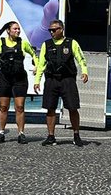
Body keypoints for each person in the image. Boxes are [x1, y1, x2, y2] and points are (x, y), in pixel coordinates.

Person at [34, 17, 89, 147]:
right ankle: (51, 136)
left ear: (61, 29)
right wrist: (37, 81)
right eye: (50, 30)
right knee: (50, 108)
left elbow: (81, 58)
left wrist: (84, 71)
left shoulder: (71, 43)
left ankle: (76, 135)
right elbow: (41, 64)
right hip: (51, 80)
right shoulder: (46, 44)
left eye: (54, 30)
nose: (51, 32)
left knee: (72, 108)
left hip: (67, 80)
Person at [0, 20, 37, 144]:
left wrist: (36, 66)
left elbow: (34, 54)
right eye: (15, 29)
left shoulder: (23, 43)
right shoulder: (0, 43)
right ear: (8, 30)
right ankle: (1, 133)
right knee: (3, 107)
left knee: (20, 107)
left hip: (19, 79)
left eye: (18, 29)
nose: (17, 31)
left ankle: (21, 133)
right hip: (5, 78)